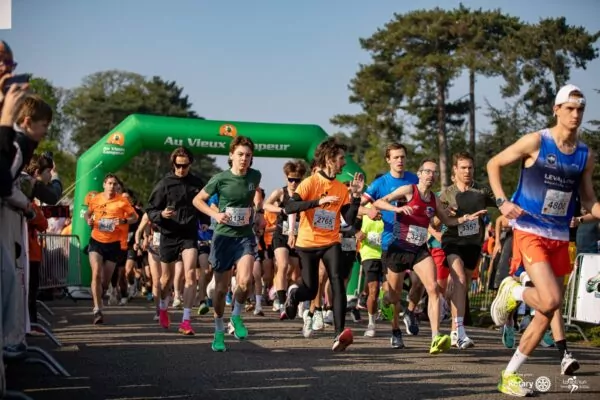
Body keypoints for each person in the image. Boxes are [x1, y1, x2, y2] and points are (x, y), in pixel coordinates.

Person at [486, 84, 593, 397]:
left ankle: (509, 375)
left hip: (559, 235)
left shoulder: (585, 155)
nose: (575, 114)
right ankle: (514, 291)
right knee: (550, 300)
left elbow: (589, 199)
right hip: (530, 229)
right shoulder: (536, 141)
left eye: (580, 109)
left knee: (546, 314)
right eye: (569, 108)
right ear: (556, 110)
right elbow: (493, 164)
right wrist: (502, 201)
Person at [373, 158, 486, 354]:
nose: (431, 175)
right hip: (398, 249)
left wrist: (464, 218)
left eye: (434, 173)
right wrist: (397, 208)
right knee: (394, 296)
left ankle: (435, 337)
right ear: (419, 174)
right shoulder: (408, 190)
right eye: (427, 171)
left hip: (419, 250)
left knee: (433, 288)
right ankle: (395, 329)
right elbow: (379, 202)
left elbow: (447, 221)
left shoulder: (434, 199)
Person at [282, 137, 363, 352]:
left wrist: (355, 197)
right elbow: (290, 208)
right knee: (310, 290)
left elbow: (349, 220)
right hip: (308, 243)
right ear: (329, 159)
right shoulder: (310, 182)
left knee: (337, 281)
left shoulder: (341, 188)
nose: (344, 163)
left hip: (330, 242)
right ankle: (294, 295)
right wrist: (318, 202)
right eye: (341, 159)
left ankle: (339, 334)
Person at [192, 135, 261, 352]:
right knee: (221, 290)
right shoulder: (220, 179)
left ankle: (236, 317)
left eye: (248, 155)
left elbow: (252, 197)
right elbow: (197, 200)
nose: (244, 159)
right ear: (231, 155)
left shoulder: (255, 176)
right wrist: (215, 214)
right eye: (240, 154)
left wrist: (256, 212)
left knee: (246, 281)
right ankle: (219, 330)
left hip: (245, 236)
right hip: (223, 237)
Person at [146, 146, 209, 335]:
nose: (181, 169)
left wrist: (205, 222)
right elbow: (150, 209)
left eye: (185, 166)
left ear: (190, 164)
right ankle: (163, 307)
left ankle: (186, 321)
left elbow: (202, 205)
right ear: (173, 164)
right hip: (169, 234)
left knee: (190, 275)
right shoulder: (164, 184)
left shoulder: (197, 183)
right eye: (178, 166)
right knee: (165, 279)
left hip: (189, 234)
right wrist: (161, 214)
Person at [84, 174, 138, 324]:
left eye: (115, 184)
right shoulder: (96, 199)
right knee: (96, 273)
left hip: (113, 244)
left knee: (104, 282)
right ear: (104, 185)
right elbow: (88, 213)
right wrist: (88, 220)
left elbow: (135, 217)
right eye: (109, 183)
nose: (112, 186)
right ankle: (97, 310)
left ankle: (100, 296)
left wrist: (123, 220)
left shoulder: (122, 201)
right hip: (96, 241)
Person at [263, 160, 306, 319]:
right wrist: (282, 210)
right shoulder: (280, 192)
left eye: (297, 180)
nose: (293, 183)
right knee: (282, 265)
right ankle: (281, 304)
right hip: (281, 234)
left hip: (299, 235)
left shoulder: (305, 193)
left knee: (294, 273)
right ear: (286, 178)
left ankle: (284, 292)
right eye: (291, 179)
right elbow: (265, 205)